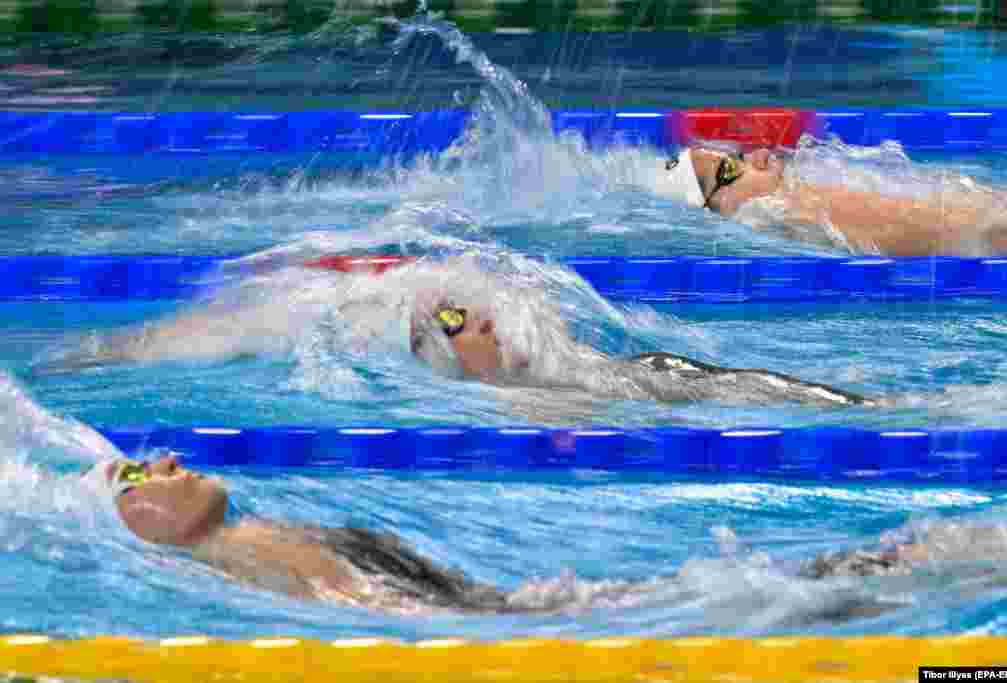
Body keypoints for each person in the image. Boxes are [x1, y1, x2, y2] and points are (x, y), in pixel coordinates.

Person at [102, 452, 1007, 615]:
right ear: (135, 528)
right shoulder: (242, 559)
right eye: (137, 476)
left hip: (523, 607)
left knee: (830, 577)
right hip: (525, 624)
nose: (166, 460)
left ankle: (967, 559)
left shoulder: (258, 534)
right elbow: (397, 620)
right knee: (824, 586)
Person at [37, 257, 874, 409]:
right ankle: (890, 400)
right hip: (607, 376)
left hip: (596, 380)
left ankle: (889, 400)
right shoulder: (323, 302)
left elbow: (471, 328)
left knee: (688, 387)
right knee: (687, 386)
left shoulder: (343, 305)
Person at [654, 142, 1007, 256]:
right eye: (733, 168)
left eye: (736, 154)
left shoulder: (794, 205)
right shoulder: (788, 213)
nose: (758, 155)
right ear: (720, 205)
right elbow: (964, 227)